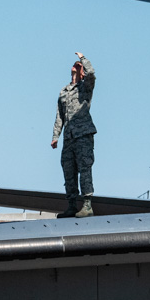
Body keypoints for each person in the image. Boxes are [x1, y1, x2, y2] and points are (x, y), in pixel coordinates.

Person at [52, 53, 97, 218]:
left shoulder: (86, 87)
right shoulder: (64, 91)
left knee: (85, 167)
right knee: (68, 169)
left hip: (83, 134)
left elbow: (92, 74)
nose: (76, 66)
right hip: (69, 137)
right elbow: (59, 115)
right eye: (75, 65)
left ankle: (87, 205)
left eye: (79, 66)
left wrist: (84, 59)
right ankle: (71, 205)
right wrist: (55, 135)